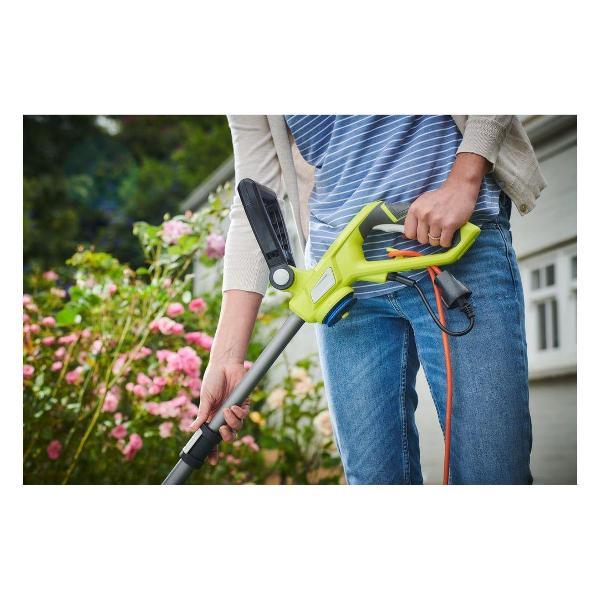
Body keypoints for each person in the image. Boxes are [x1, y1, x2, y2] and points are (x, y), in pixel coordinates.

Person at [191, 115, 546, 484]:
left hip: (452, 250)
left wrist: (465, 178)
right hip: (343, 284)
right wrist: (225, 360)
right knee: (373, 481)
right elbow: (250, 205)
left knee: (492, 473)